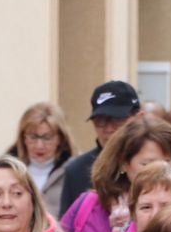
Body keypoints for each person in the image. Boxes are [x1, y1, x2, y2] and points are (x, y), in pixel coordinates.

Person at [62, 114, 171, 232]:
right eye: (148, 164)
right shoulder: (89, 206)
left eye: (167, 163)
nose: (158, 171)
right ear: (124, 163)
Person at [61, 80, 142, 215]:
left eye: (117, 120)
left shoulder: (155, 163)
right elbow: (67, 229)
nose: (109, 128)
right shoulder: (77, 171)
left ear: (138, 118)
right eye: (100, 121)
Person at [9, 101, 75, 204]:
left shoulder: (75, 171)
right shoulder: (7, 170)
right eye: (33, 137)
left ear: (60, 139)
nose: (39, 145)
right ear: (23, 138)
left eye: (47, 138)